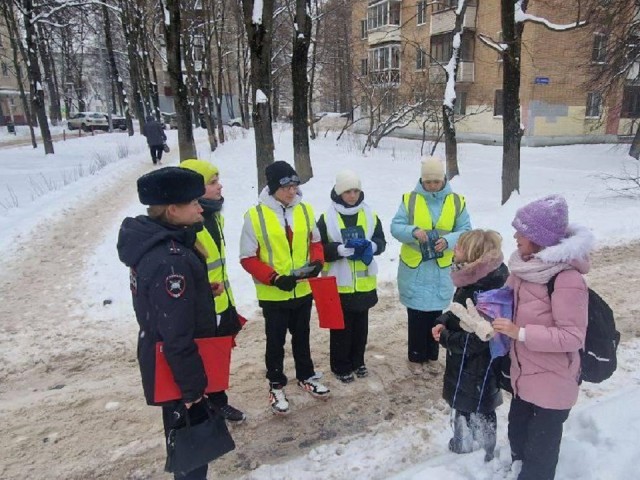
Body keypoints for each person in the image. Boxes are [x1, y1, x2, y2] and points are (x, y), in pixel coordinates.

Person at [117, 167, 219, 480]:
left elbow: (162, 307)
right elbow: (176, 336)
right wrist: (193, 391)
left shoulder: (160, 244)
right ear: (173, 209)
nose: (201, 207)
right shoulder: (170, 259)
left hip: (169, 363)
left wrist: (199, 291)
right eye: (193, 202)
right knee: (191, 450)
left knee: (187, 445)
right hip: (178, 371)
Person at [492, 195, 594, 480]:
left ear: (538, 238)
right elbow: (506, 303)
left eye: (521, 231)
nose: (514, 236)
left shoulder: (566, 279)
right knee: (518, 440)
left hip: (553, 383)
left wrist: (520, 333)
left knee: (539, 459)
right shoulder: (524, 268)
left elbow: (573, 336)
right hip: (524, 378)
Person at [239, 161, 330, 415]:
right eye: (286, 186)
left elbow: (316, 242)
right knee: (275, 341)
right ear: (272, 187)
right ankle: (276, 383)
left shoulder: (305, 210)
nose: (292, 191)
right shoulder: (255, 216)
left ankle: (306, 376)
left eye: (295, 185)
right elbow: (247, 257)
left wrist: (317, 263)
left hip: (302, 289)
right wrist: (274, 278)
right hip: (273, 293)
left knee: (302, 336)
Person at [431, 229, 508, 462]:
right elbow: (463, 316)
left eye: (460, 247)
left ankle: (475, 456)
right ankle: (466, 447)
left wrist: (445, 338)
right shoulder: (474, 279)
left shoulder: (483, 290)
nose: (454, 249)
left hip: (477, 367)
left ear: (472, 255)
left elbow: (481, 339)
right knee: (467, 406)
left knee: (476, 408)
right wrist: (444, 320)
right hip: (467, 365)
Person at [390, 156, 471, 374]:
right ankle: (416, 356)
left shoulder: (456, 201)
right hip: (415, 267)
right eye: (428, 182)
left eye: (436, 181)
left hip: (439, 266)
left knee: (436, 314)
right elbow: (396, 226)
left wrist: (449, 241)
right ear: (422, 180)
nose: (432, 186)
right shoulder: (410, 200)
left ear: (443, 179)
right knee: (416, 315)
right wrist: (413, 232)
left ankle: (432, 355)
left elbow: (466, 230)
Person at [180, 159, 246, 423]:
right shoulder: (188, 225)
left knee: (217, 359)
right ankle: (204, 409)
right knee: (201, 362)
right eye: (212, 182)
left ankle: (219, 402)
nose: (220, 187)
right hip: (199, 309)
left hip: (220, 303)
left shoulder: (212, 216)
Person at [316, 169, 386, 383]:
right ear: (339, 192)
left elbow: (381, 241)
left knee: (360, 328)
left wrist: (371, 246)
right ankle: (340, 366)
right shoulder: (326, 218)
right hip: (339, 283)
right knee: (341, 329)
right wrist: (337, 250)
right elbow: (318, 248)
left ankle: (358, 361)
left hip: (363, 282)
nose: (352, 195)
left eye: (356, 190)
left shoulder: (370, 214)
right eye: (348, 191)